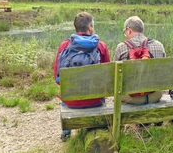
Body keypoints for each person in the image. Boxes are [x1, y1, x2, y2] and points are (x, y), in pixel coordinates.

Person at [53, 12, 110, 140]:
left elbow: (57, 79)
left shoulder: (64, 46)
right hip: (96, 100)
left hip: (70, 101)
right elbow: (108, 77)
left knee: (65, 97)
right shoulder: (101, 46)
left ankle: (66, 131)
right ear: (90, 28)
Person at [114, 16, 166, 105]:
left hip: (131, 98)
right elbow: (164, 73)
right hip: (154, 96)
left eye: (125, 32)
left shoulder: (121, 47)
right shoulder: (159, 45)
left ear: (129, 30)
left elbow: (114, 76)